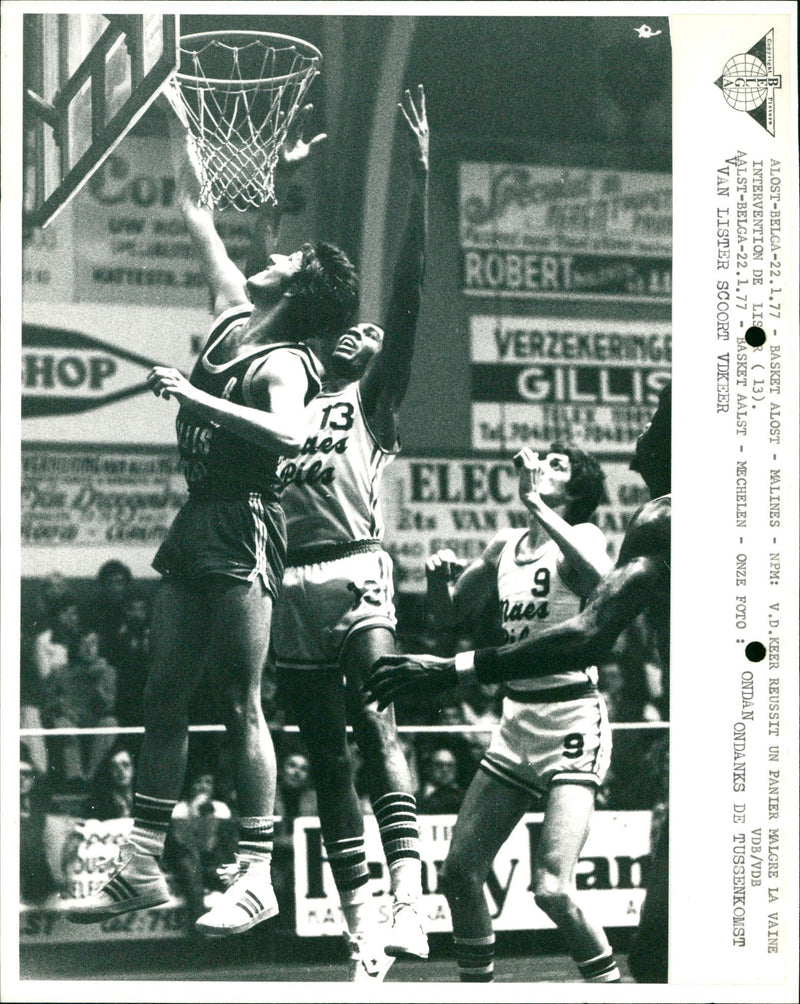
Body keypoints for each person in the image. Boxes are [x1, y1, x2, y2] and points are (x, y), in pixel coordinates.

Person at [66, 87, 358, 937]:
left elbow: (288, 431)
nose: (279, 251)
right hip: (198, 518)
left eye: (295, 257)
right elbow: (196, 207)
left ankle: (257, 871)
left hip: (247, 521)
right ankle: (141, 865)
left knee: (241, 702)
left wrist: (197, 396)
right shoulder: (235, 308)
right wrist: (181, 121)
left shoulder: (287, 362)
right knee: (162, 693)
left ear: (301, 292)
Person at [367, 381, 672, 983]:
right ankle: (477, 989)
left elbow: (597, 584)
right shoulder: (504, 545)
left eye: (558, 464)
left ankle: (610, 990)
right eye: (545, 460)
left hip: (572, 720)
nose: (544, 465)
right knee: (458, 871)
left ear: (575, 489)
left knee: (551, 890)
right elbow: (450, 614)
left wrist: (538, 507)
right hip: (516, 721)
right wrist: (436, 579)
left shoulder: (583, 535)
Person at [268, 85, 429, 981]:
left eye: (377, 334)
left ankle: (410, 896)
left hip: (357, 569)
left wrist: (421, 177)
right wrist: (286, 188)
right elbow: (269, 283)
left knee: (377, 728)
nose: (368, 330)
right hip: (287, 579)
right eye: (353, 324)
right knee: (325, 756)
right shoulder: (285, 382)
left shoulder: (373, 400)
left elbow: (403, 297)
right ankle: (362, 922)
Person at [41, 628, 118, 791]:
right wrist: (62, 708)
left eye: (93, 643)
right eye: (84, 644)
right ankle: (74, 779)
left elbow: (108, 706)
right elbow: (47, 705)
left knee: (110, 723)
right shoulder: (61, 673)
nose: (89, 648)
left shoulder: (108, 672)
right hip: (71, 720)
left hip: (95, 720)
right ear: (76, 647)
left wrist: (97, 682)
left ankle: (92, 777)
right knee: (63, 724)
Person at [83, 745, 136, 822]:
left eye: (125, 765)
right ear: (109, 771)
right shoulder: (97, 803)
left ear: (133, 768)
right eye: (114, 766)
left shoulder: (143, 800)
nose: (121, 771)